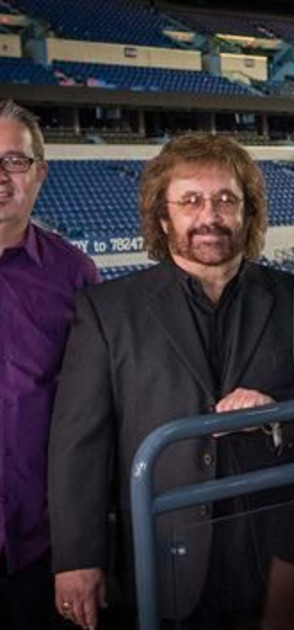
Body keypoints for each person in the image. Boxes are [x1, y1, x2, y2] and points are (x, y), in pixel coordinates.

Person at [48, 133, 294, 630]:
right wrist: (76, 558)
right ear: (163, 216)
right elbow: (78, 444)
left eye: (225, 200)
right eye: (190, 201)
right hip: (165, 549)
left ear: (248, 213)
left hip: (275, 546)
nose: (210, 216)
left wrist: (275, 411)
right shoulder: (108, 312)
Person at [0, 100, 99, 630]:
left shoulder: (74, 275)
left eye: (14, 161)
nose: (0, 176)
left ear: (40, 171)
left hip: (38, 549)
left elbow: (96, 417)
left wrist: (81, 551)